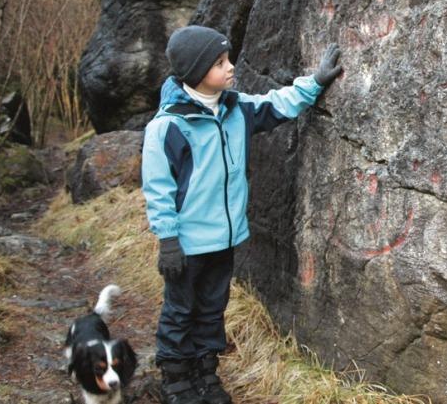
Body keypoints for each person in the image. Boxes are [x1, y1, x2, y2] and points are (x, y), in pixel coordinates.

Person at [141, 25, 342, 404]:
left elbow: (276, 104)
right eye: (220, 63)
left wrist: (313, 83)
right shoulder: (167, 127)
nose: (230, 67)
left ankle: (205, 374)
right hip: (185, 245)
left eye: (228, 58)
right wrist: (167, 240)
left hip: (225, 238)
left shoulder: (235, 110)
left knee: (213, 308)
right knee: (180, 310)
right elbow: (157, 188)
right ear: (196, 73)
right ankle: (176, 380)